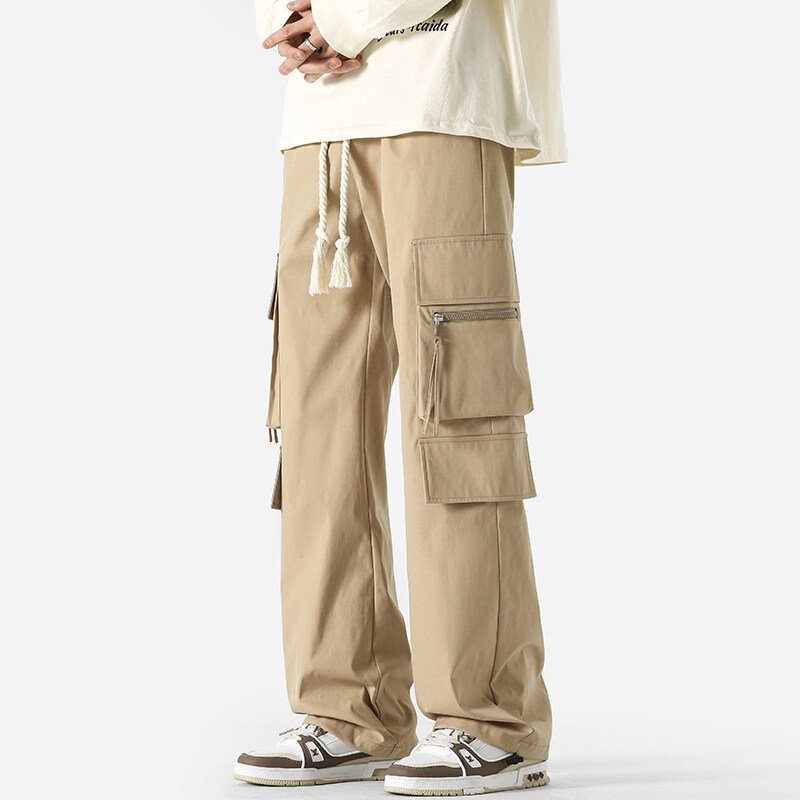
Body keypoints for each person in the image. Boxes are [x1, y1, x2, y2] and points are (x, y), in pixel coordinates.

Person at [234, 0, 566, 794]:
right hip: (318, 121)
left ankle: (489, 719)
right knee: (316, 421)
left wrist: (341, 21)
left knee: (457, 410)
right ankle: (348, 709)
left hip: (439, 97)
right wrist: (290, 23)